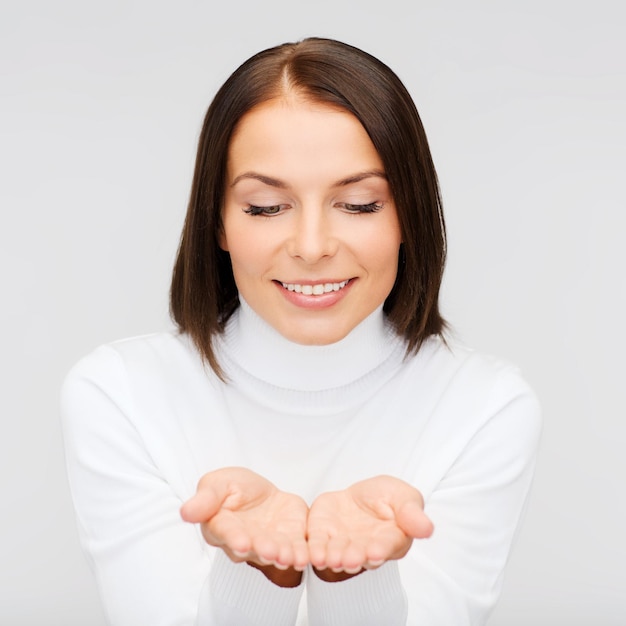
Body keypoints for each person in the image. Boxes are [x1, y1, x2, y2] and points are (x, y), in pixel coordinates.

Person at [61, 37, 541, 626]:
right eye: (266, 207)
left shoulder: (486, 406)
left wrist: (355, 579)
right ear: (217, 221)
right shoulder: (121, 395)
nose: (312, 248)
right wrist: (263, 575)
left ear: (408, 215)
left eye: (360, 204)